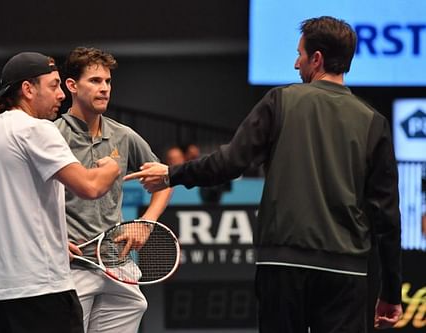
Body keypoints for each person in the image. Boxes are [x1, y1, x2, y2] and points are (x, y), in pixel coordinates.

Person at [124, 16, 402, 333]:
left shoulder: (279, 101)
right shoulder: (373, 122)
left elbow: (229, 162)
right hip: (346, 273)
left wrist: (172, 174)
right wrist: (391, 290)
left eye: (300, 54)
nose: (296, 64)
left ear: (317, 58)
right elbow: (387, 217)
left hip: (282, 265)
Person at [0, 52, 120, 333]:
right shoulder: (37, 130)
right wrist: (111, 167)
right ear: (27, 89)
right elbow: (90, 186)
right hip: (42, 292)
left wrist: (50, 245)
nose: (61, 95)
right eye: (54, 85)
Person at [55, 46, 172, 333]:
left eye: (107, 81)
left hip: (116, 266)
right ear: (72, 86)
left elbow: (163, 182)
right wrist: (51, 240)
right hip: (71, 269)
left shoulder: (124, 135)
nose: (104, 88)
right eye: (95, 81)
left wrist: (146, 224)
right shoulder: (53, 136)